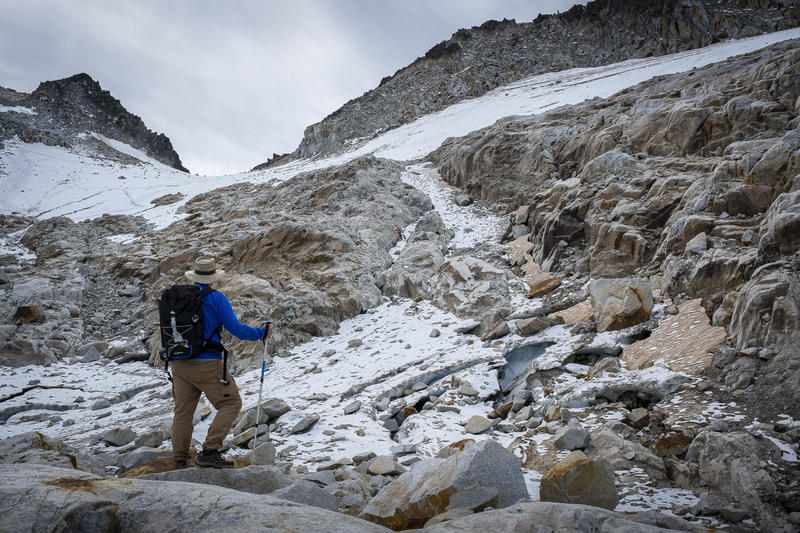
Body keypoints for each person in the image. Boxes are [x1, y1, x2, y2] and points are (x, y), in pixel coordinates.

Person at [171, 256, 272, 469]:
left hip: (179, 363)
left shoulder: (178, 298)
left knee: (183, 413)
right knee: (231, 403)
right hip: (207, 363)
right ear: (213, 277)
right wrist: (261, 333)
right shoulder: (216, 298)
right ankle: (209, 451)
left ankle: (179, 459)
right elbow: (236, 329)